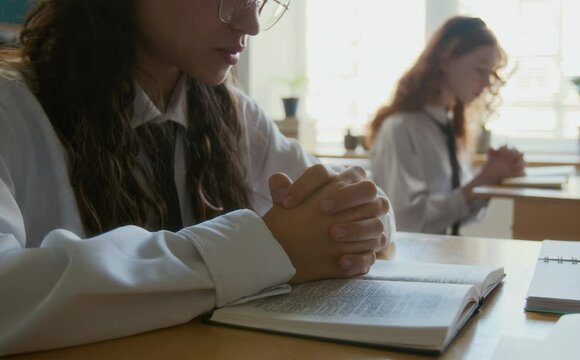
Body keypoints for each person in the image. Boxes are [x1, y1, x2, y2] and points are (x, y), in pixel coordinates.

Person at [0, 0, 394, 355]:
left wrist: (362, 213)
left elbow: (350, 201)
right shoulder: (12, 108)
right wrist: (262, 251)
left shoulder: (232, 113)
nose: (251, 23)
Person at [368, 16, 524, 235]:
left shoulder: (449, 126)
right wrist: (481, 180)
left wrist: (494, 178)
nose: (487, 83)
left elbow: (459, 215)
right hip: (413, 260)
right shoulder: (400, 129)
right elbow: (406, 221)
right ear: (446, 60)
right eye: (480, 70)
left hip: (442, 255)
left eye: (490, 73)